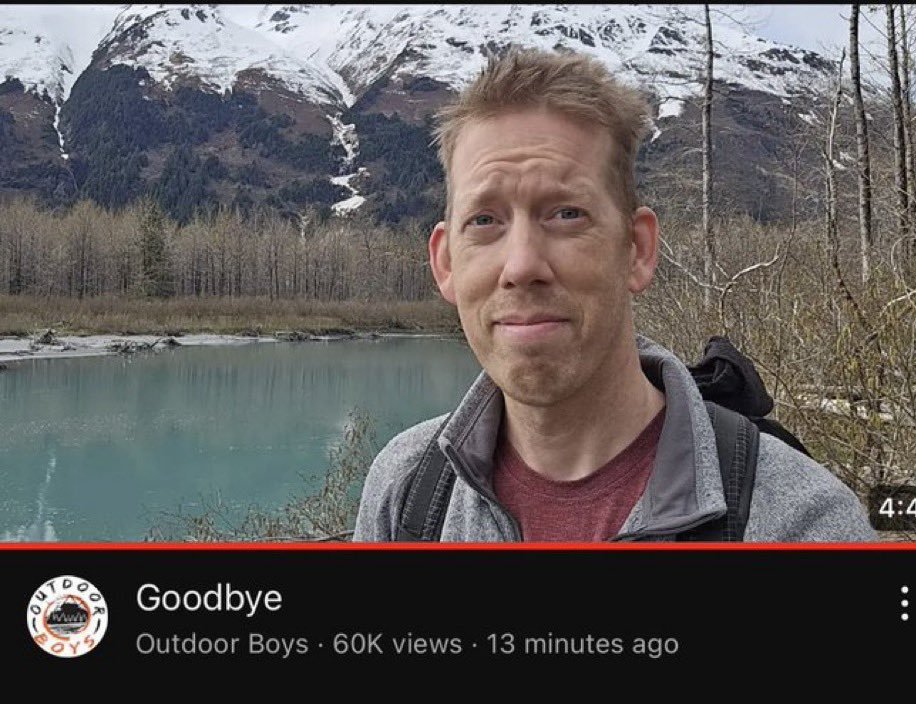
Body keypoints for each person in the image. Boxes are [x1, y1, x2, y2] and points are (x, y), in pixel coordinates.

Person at [352, 48, 877, 542]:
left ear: (637, 249)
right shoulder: (407, 492)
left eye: (566, 214)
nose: (522, 265)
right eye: (485, 220)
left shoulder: (801, 520)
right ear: (445, 262)